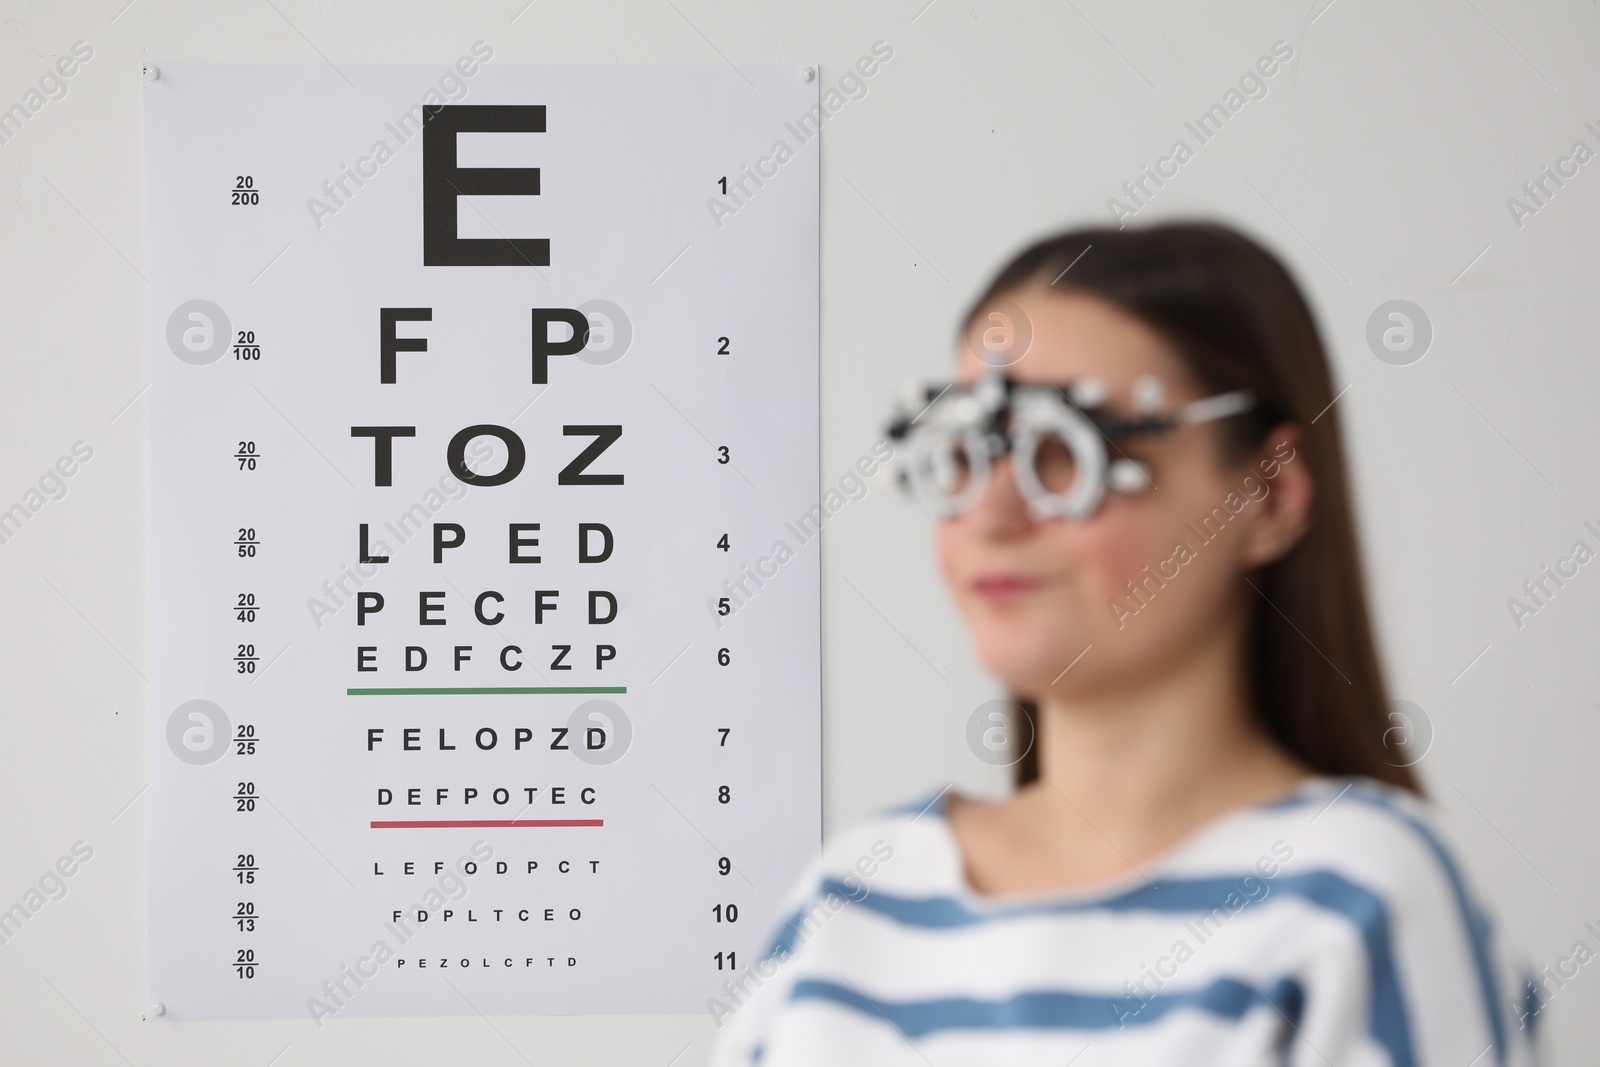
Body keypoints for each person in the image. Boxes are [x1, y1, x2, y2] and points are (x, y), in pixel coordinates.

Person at [708, 223, 1537, 1065]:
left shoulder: (1362, 898)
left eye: (1067, 449)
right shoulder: (855, 897)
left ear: (1271, 494)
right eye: (965, 447)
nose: (994, 515)